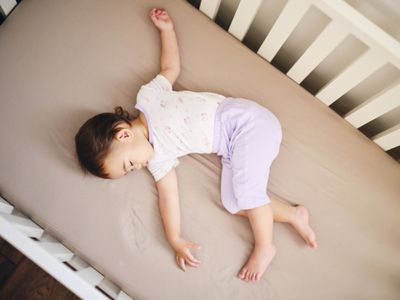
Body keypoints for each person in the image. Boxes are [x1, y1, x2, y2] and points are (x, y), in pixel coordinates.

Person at [75, 7, 318, 282]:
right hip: (231, 148)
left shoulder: (148, 98)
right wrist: (174, 237)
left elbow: (170, 68)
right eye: (131, 171)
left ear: (122, 134)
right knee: (233, 202)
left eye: (129, 164)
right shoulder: (159, 160)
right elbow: (169, 198)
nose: (138, 167)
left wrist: (167, 31)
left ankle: (265, 245)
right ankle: (293, 214)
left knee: (249, 193)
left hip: (246, 123)